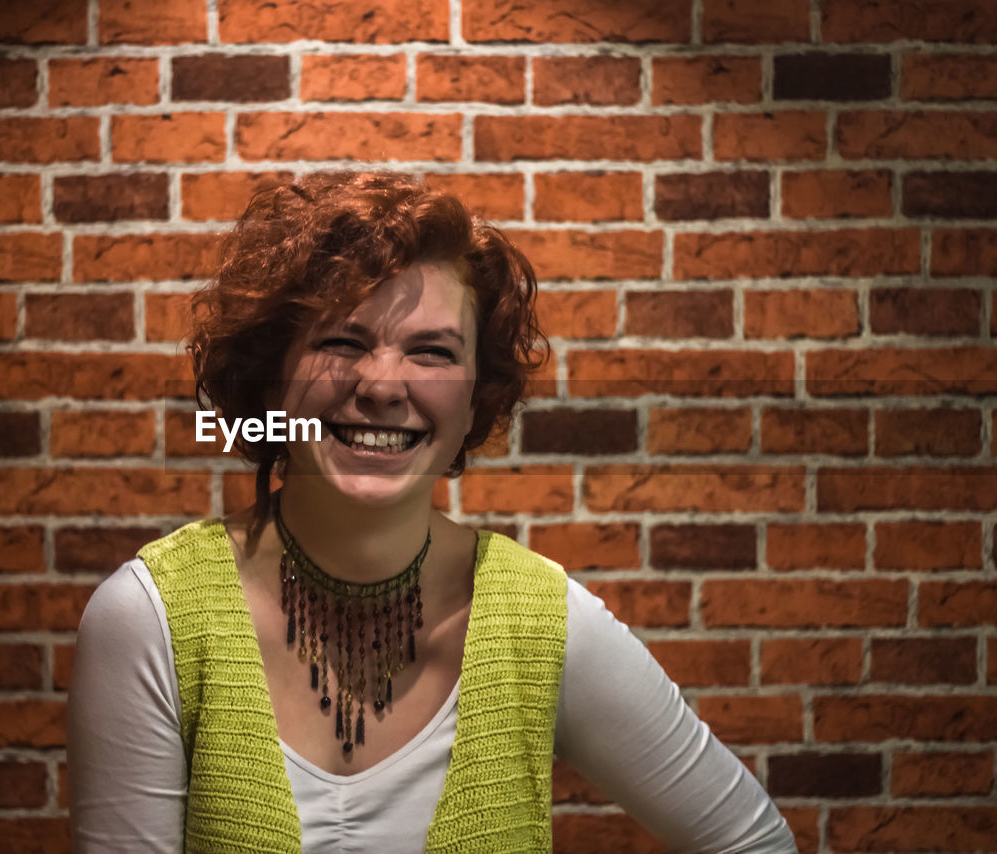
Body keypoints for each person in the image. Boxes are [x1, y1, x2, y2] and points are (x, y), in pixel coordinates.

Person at [67, 172, 798, 852]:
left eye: (433, 352)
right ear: (271, 379)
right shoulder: (151, 619)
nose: (384, 385)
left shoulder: (541, 622)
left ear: (476, 395)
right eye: (341, 341)